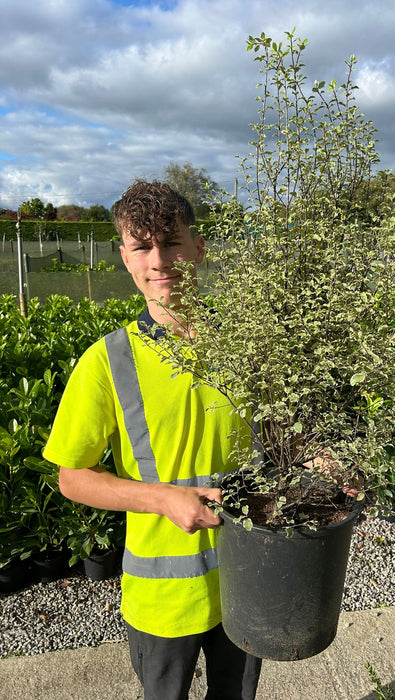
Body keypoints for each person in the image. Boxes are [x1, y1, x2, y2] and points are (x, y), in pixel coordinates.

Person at [43, 179, 262, 700]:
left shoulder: (250, 343)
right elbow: (72, 478)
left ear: (198, 247)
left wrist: (323, 461)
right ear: (125, 257)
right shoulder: (106, 362)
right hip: (161, 601)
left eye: (172, 241)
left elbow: (281, 436)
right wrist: (161, 498)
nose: (159, 260)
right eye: (142, 246)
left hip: (249, 578)